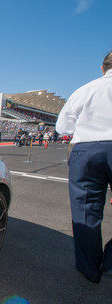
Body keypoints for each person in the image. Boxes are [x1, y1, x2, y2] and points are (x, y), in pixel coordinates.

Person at [56, 51, 112, 283]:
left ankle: (90, 269)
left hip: (87, 150)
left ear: (102, 68)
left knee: (85, 211)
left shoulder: (85, 89)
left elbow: (62, 127)